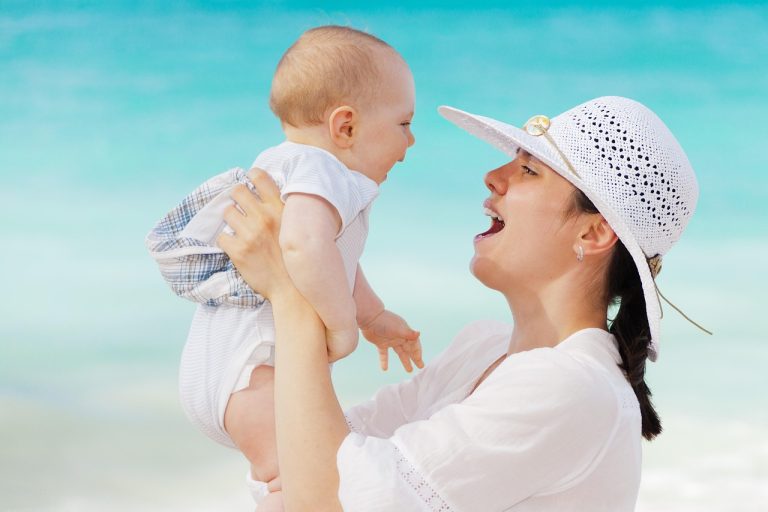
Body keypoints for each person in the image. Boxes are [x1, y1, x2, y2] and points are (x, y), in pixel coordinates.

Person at [219, 95, 706, 511]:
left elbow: (325, 499)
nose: (493, 176)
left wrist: (289, 290)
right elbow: (301, 460)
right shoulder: (482, 347)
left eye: (528, 170)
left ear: (593, 232)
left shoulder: (574, 387)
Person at [145, 25, 423, 509]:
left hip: (225, 371)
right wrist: (342, 326)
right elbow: (303, 245)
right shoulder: (323, 170)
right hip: (254, 371)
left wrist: (372, 315)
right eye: (403, 123)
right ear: (345, 127)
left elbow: (334, 258)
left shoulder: (283, 164)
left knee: (287, 478)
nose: (412, 140)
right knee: (302, 482)